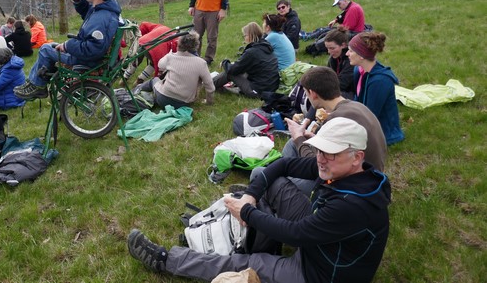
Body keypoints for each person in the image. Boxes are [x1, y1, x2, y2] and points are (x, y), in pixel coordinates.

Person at [128, 116, 391, 283]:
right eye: (320, 149)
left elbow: (296, 235)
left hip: (319, 272)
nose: (321, 158)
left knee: (245, 264)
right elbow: (285, 164)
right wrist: (253, 196)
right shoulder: (340, 169)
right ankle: (257, 214)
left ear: (357, 157)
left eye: (331, 153)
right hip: (320, 236)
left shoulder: (353, 206)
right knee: (266, 178)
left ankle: (166, 260)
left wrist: (247, 213)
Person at [281, 66, 388, 193]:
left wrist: (298, 137)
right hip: (370, 174)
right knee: (291, 144)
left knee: (273, 178)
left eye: (306, 93)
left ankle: (284, 180)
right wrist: (313, 138)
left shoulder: (336, 120)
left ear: (313, 93)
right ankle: (285, 173)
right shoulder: (356, 106)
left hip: (352, 186)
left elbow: (318, 164)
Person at [14, 0, 122, 100]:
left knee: (45, 49)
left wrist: (68, 45)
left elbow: (94, 48)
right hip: (90, 57)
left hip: (87, 61)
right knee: (51, 47)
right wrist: (78, 0)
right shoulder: (103, 10)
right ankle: (34, 82)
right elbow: (89, 14)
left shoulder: (102, 18)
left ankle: (38, 87)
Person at [348, 32, 404, 145]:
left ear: (361, 55)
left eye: (351, 51)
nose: (347, 54)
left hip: (383, 133)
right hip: (363, 122)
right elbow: (358, 100)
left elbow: (371, 116)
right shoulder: (359, 70)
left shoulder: (381, 81)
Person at [138, 31, 214, 109]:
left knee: (154, 80)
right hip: (184, 103)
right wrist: (209, 101)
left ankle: (135, 91)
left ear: (179, 43)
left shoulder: (171, 57)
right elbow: (210, 87)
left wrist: (169, 54)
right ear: (196, 45)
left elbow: (160, 65)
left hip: (163, 100)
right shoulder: (201, 63)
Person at [213, 22, 279, 99]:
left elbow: (233, 70)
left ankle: (210, 84)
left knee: (230, 73)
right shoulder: (266, 46)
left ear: (251, 35)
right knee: (240, 69)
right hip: (271, 88)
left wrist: (225, 62)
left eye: (245, 35)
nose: (244, 38)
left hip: (259, 92)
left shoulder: (252, 52)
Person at [324, 28, 354, 99]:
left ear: (343, 45)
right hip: (339, 89)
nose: (329, 51)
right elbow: (328, 76)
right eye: (327, 48)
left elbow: (342, 84)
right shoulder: (333, 58)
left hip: (351, 93)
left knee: (324, 95)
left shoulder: (350, 60)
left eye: (332, 48)